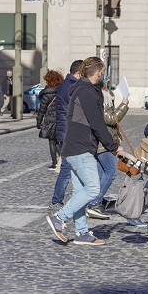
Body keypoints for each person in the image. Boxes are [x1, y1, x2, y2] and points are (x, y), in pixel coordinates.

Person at [45, 57, 121, 246]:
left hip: (73, 147)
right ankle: (59, 218)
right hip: (81, 147)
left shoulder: (82, 89)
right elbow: (96, 122)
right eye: (103, 73)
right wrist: (112, 146)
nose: (104, 76)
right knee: (93, 189)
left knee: (80, 191)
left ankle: (81, 233)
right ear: (98, 73)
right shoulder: (87, 92)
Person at [85, 84, 129, 221]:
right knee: (110, 171)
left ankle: (93, 202)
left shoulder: (105, 98)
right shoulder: (100, 99)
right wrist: (124, 104)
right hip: (102, 144)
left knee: (100, 175)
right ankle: (94, 203)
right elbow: (110, 119)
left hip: (103, 142)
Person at [49, 60, 83, 212]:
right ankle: (57, 200)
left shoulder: (66, 84)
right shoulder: (71, 86)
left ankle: (59, 199)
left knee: (69, 167)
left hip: (66, 132)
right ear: (78, 73)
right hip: (69, 133)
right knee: (67, 169)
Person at [36, 70, 63, 169]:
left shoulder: (46, 94)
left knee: (52, 142)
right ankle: (62, 160)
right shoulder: (61, 91)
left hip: (49, 121)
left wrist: (39, 122)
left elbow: (42, 110)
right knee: (57, 141)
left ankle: (55, 162)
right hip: (60, 119)